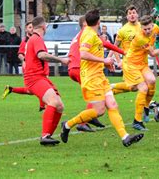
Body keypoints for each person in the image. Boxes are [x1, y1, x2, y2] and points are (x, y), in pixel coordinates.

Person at [60, 9, 144, 147]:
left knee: (112, 105)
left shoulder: (93, 34)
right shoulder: (88, 34)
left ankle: (125, 137)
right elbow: (83, 54)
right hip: (91, 78)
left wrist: (107, 62)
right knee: (99, 111)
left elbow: (98, 49)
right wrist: (104, 60)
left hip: (100, 76)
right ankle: (68, 125)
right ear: (99, 22)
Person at [68, 16, 126, 132]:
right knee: (100, 96)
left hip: (72, 68)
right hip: (81, 68)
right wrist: (123, 52)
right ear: (85, 25)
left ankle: (92, 117)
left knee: (95, 95)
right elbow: (104, 44)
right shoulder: (88, 34)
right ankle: (81, 123)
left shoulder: (80, 35)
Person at [22, 17, 69, 145]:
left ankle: (49, 136)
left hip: (40, 77)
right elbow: (41, 55)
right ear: (44, 27)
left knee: (59, 106)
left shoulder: (35, 39)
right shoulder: (36, 38)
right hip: (34, 78)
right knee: (53, 101)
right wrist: (61, 60)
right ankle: (45, 136)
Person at [122, 15, 159, 131]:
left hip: (142, 63)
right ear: (141, 27)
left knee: (152, 81)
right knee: (143, 88)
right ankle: (137, 121)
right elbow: (153, 53)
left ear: (151, 25)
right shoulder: (141, 38)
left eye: (149, 29)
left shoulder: (154, 27)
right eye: (144, 29)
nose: (147, 31)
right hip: (131, 64)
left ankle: (146, 107)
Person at [109, 5, 141, 94]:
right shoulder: (123, 30)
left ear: (137, 14)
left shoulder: (142, 27)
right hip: (129, 62)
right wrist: (119, 61)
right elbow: (114, 47)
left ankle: (110, 92)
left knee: (135, 86)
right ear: (127, 16)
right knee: (139, 85)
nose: (132, 15)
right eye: (129, 13)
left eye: (134, 13)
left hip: (140, 61)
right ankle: (111, 87)